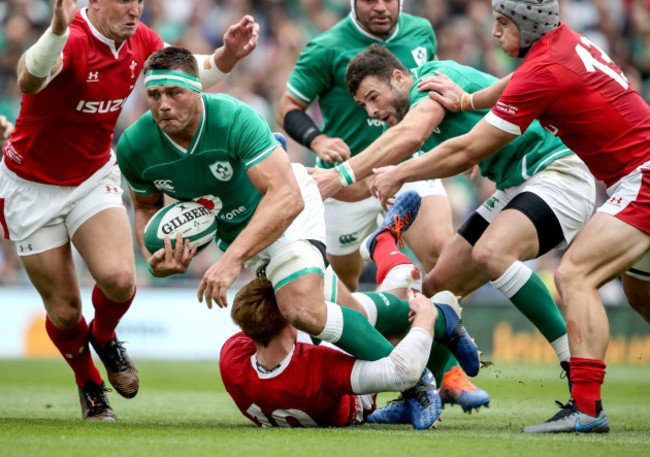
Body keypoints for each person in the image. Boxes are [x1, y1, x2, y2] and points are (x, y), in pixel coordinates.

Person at [116, 46, 443, 430]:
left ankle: (418, 385)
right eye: (154, 95)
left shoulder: (234, 117)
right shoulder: (134, 147)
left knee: (301, 310)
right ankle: (441, 315)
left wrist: (230, 260)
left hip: (289, 210)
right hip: (245, 237)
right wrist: (153, 252)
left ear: (198, 90)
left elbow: (285, 197)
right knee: (338, 310)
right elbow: (145, 208)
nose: (163, 105)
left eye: (175, 93)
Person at [372, 0, 650, 433]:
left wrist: (397, 173)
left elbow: (468, 149)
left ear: (527, 24)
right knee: (442, 282)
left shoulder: (544, 69)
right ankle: (424, 389)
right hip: (621, 178)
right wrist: (467, 99)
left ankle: (587, 405)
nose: (495, 32)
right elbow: (514, 82)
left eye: (503, 24)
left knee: (574, 274)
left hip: (637, 176)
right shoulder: (560, 47)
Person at [0, 0, 259, 421]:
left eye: (139, 0)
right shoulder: (74, 38)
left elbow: (187, 74)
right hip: (31, 186)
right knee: (65, 311)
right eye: (125, 0)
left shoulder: (141, 39)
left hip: (91, 176)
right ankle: (89, 382)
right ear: (95, 3)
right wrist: (56, 31)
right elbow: (29, 80)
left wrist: (228, 54)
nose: (135, 8)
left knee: (120, 280)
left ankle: (104, 337)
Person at [346, 43, 596, 400]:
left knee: (492, 254)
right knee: (436, 289)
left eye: (374, 97)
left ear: (398, 78)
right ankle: (419, 395)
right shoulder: (429, 92)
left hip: (558, 171)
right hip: (518, 183)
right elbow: (460, 147)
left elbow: (413, 137)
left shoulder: (428, 85)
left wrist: (363, 174)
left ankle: (576, 367)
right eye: (363, 106)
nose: (372, 110)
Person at [220, 191, 480, 428]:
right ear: (287, 317)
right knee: (409, 298)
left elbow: (255, 317)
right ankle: (389, 248)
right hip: (357, 397)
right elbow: (402, 371)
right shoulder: (318, 369)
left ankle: (383, 242)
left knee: (357, 305)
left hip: (296, 361)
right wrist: (427, 316)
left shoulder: (232, 358)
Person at [276, 0, 454, 293]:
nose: (381, 7)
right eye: (371, 0)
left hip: (409, 164)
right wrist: (318, 141)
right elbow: (287, 107)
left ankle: (435, 332)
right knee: (342, 281)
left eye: (388, 0)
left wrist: (456, 142)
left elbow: (431, 92)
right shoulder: (326, 46)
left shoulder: (421, 31)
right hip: (345, 179)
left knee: (442, 256)